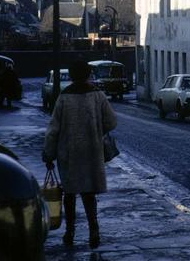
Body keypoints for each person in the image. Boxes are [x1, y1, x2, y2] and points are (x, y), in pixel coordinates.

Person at [42, 60, 117, 249]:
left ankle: (70, 232)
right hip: (91, 150)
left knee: (70, 193)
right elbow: (111, 122)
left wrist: (48, 153)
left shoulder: (64, 97)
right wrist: (96, 130)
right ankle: (94, 230)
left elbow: (54, 129)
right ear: (88, 74)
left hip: (68, 152)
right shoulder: (97, 95)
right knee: (89, 194)